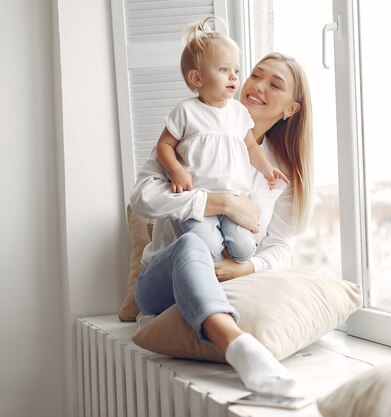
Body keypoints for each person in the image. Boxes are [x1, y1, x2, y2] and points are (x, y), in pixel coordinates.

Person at [130, 45, 313, 395]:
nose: (257, 85)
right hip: (162, 286)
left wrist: (247, 268)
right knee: (190, 245)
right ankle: (240, 347)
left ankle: (238, 343)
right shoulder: (191, 130)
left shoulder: (280, 171)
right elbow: (141, 198)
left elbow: (281, 246)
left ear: (291, 109)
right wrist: (220, 203)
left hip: (226, 283)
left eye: (275, 85)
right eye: (255, 75)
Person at [156, 17, 289, 264]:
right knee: (208, 247)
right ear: (197, 79)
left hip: (235, 197)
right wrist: (176, 171)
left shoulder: (238, 113)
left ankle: (231, 258)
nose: (233, 77)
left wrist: (267, 169)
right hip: (200, 200)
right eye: (224, 70)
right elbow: (163, 146)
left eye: (236, 71)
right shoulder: (186, 111)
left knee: (243, 248)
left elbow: (250, 146)